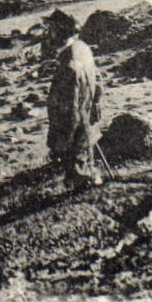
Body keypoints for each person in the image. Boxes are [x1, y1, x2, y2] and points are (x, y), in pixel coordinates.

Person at [45, 10, 104, 187]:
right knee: (86, 165)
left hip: (74, 129)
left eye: (52, 30)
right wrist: (94, 108)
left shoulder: (68, 65)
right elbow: (98, 83)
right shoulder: (82, 49)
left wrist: (62, 140)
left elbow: (69, 108)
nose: (49, 35)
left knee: (78, 176)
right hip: (86, 121)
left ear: (61, 32)